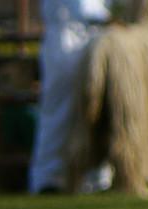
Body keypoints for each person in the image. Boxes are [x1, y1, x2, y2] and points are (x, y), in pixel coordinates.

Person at [30, 0, 113, 193]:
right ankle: (49, 180)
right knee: (59, 110)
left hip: (98, 30)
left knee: (98, 108)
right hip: (66, 30)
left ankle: (97, 178)